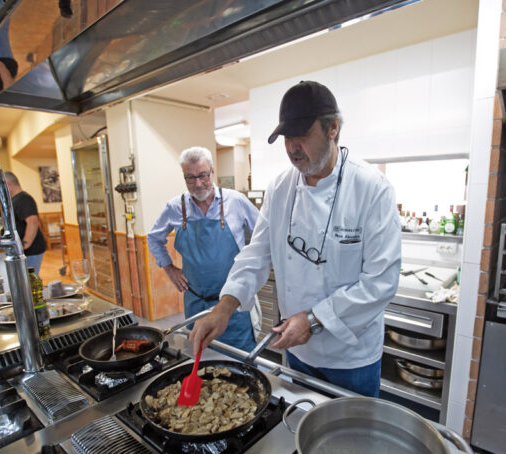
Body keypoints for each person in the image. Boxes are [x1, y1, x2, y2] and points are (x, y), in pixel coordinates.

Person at [189, 81, 402, 397]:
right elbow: (257, 254)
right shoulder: (280, 188)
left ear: (332, 129)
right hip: (298, 352)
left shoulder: (371, 188)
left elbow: (380, 282)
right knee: (297, 430)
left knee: (351, 442)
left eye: (302, 135)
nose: (292, 147)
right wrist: (225, 306)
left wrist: (315, 321)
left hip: (351, 357)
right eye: (287, 137)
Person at [147, 147, 260, 353]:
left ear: (212, 172)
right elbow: (153, 238)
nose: (198, 184)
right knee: (203, 358)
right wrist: (169, 268)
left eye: (203, 176)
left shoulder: (236, 201)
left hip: (233, 304)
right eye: (190, 178)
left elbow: (264, 235)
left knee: (241, 360)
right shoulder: (175, 207)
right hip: (197, 303)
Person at [4, 171, 47, 274]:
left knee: (30, 281)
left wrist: (24, 246)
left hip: (31, 251)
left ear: (8, 185)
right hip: (26, 251)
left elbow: (33, 222)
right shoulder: (15, 200)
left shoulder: (23, 199)